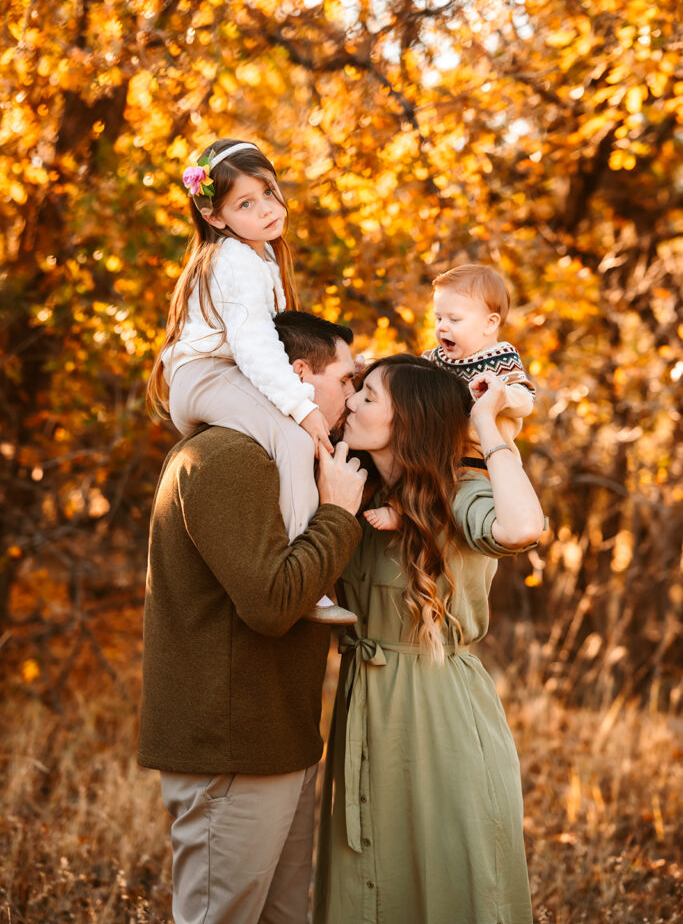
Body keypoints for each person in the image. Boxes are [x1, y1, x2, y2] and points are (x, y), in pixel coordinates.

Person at [138, 310, 367, 924]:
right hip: (229, 750)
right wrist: (339, 514)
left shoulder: (283, 459)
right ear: (299, 373)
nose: (353, 392)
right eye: (347, 379)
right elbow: (272, 603)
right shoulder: (226, 457)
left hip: (279, 740)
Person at [313, 354, 545, 924]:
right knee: (365, 882)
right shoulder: (354, 489)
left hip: (439, 710)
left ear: (408, 421)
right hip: (363, 703)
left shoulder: (459, 492)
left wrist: (488, 427)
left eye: (368, 397)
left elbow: (520, 529)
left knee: (448, 880)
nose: (351, 403)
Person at [146, 136, 353, 623]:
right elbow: (256, 346)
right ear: (215, 217)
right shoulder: (235, 260)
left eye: (268, 192)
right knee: (292, 437)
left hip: (216, 374)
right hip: (207, 377)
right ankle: (309, 577)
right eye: (245, 203)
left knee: (288, 431)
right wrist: (302, 409)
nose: (265, 209)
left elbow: (272, 338)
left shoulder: (257, 257)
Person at [366, 263, 535, 531]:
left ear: (489, 324)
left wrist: (501, 394)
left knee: (450, 484)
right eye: (438, 318)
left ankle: (409, 515)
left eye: (454, 320)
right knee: (409, 456)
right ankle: (401, 509)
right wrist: (372, 372)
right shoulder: (437, 357)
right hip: (440, 445)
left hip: (479, 455)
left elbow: (525, 401)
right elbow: (407, 380)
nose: (443, 327)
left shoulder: (501, 358)